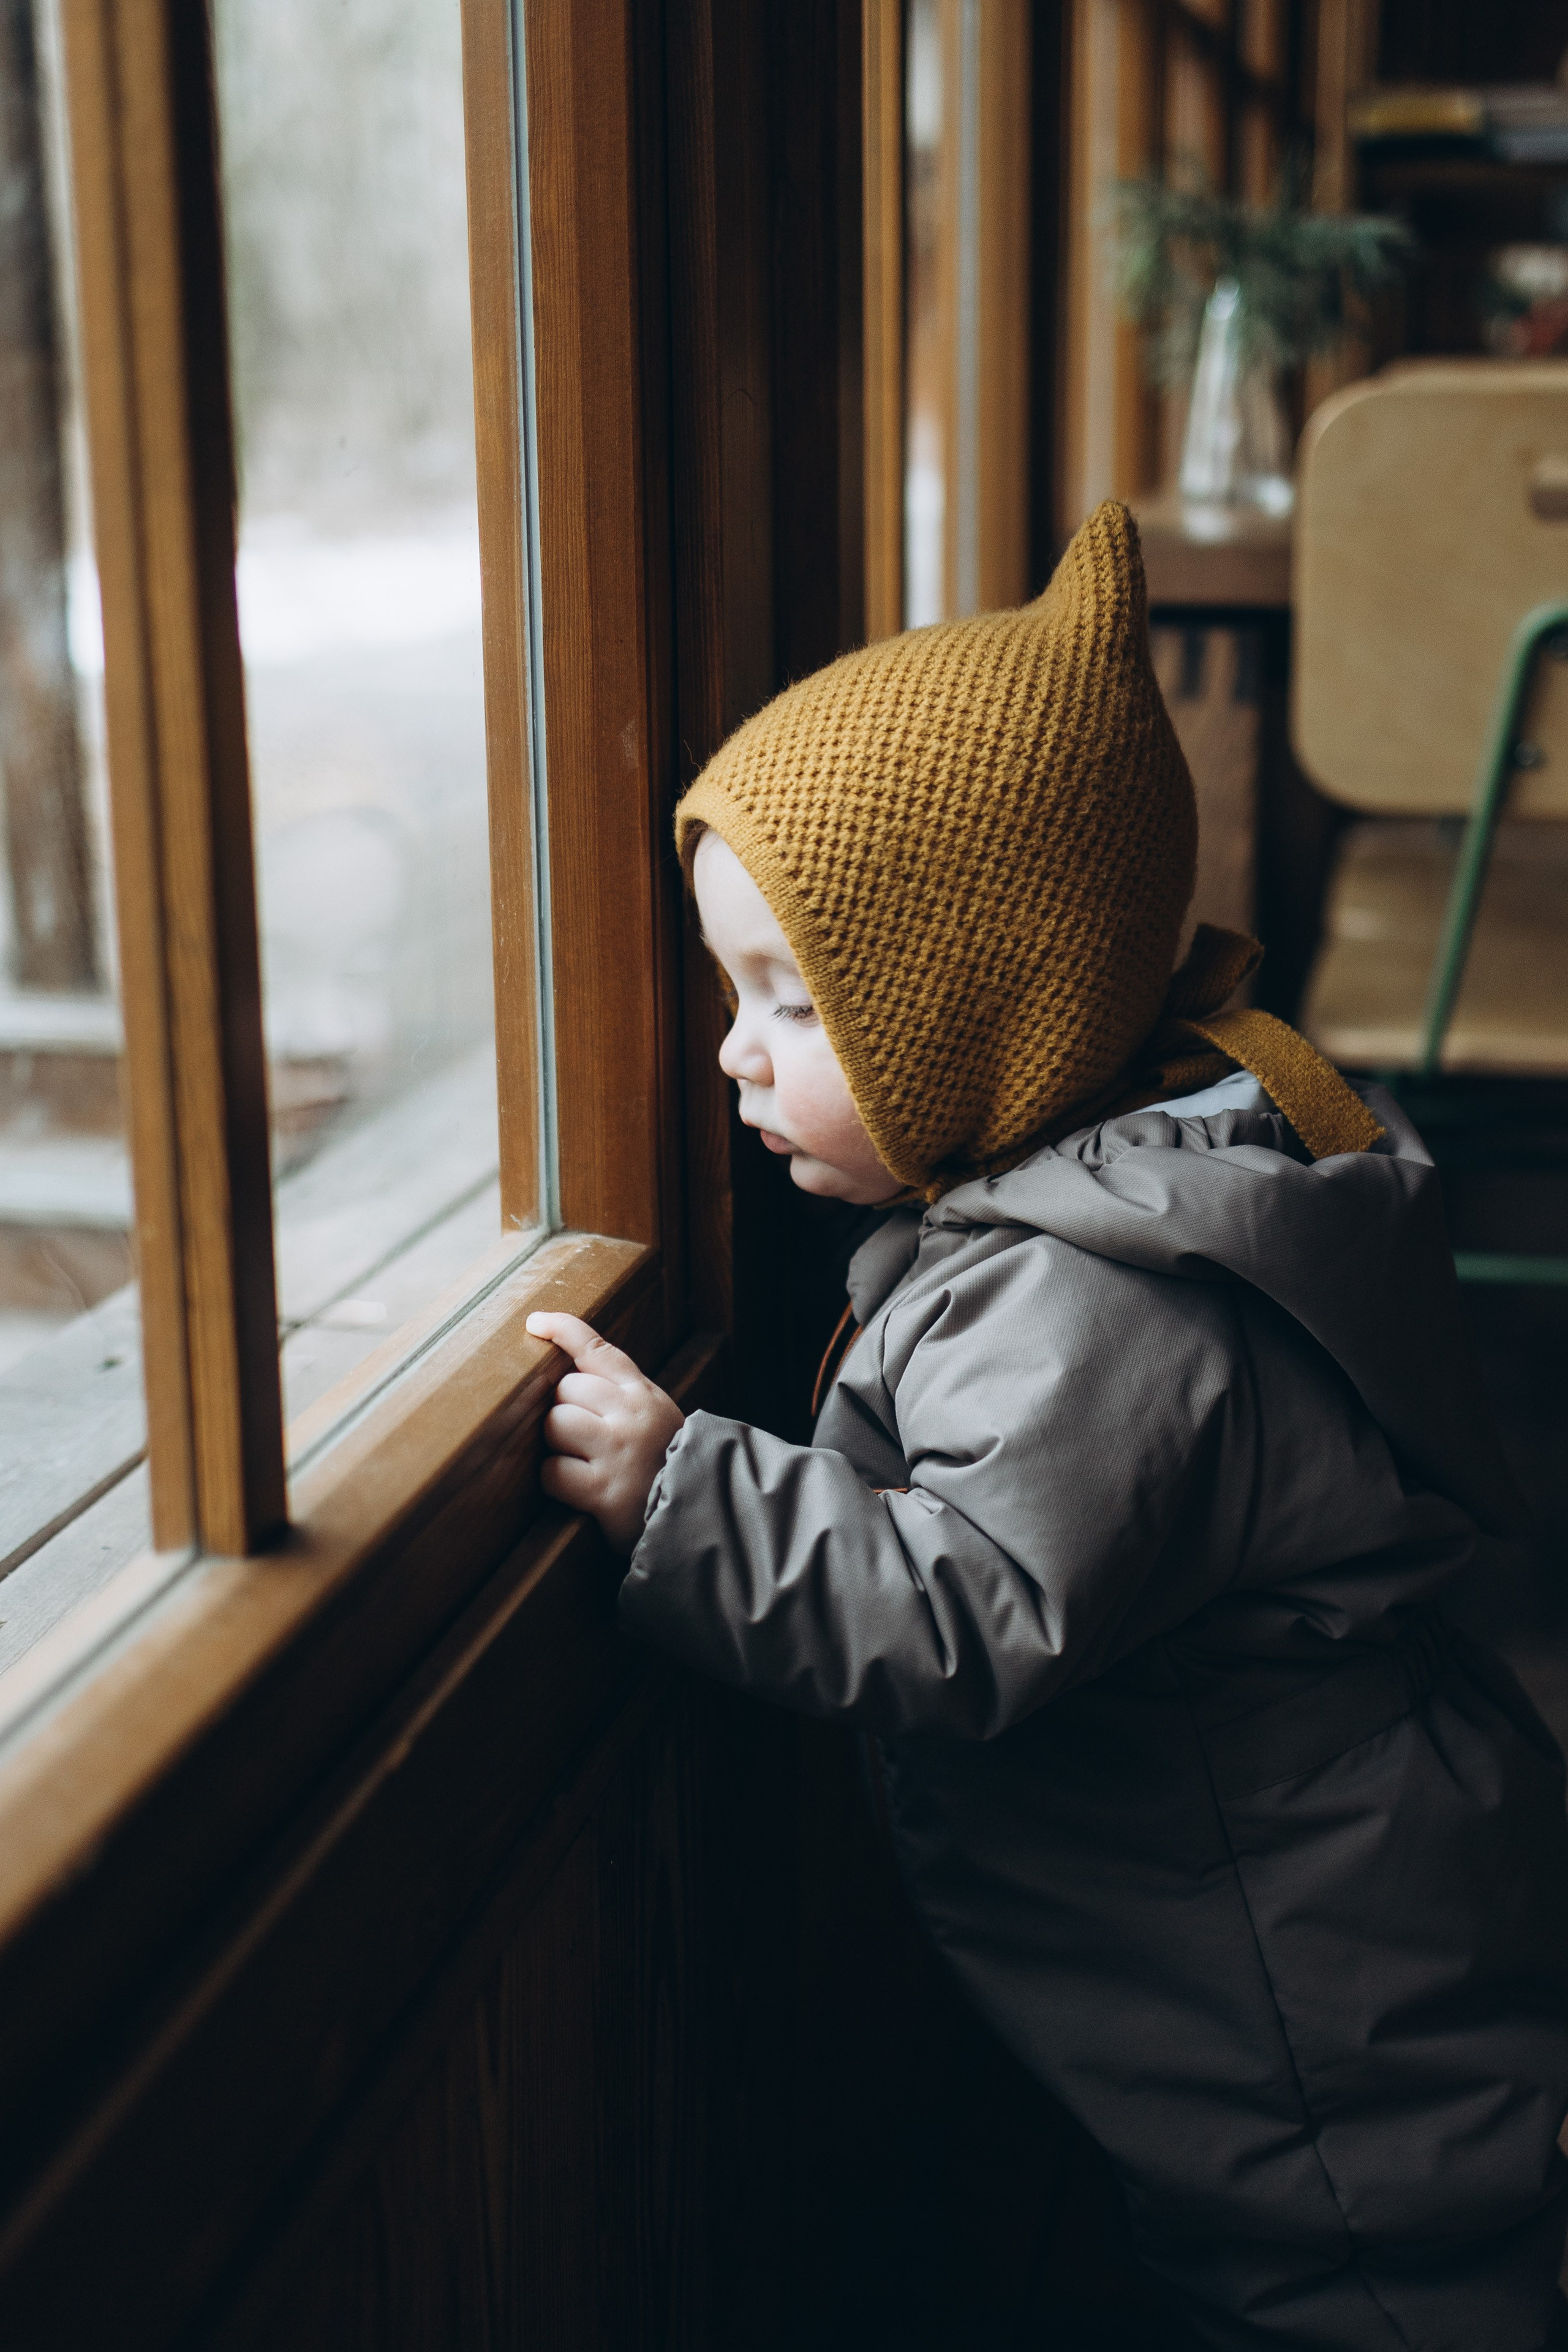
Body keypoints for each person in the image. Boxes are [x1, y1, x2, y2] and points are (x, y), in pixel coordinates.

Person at [526, 501, 1568, 2350]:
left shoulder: (1098, 1302)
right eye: (728, 994)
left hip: (1302, 1986)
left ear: (983, 1012)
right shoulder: (1107, 1175)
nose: (731, 1055)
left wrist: (686, 1488)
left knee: (1367, 2274)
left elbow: (973, 1603)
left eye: (789, 1003)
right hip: (1292, 1890)